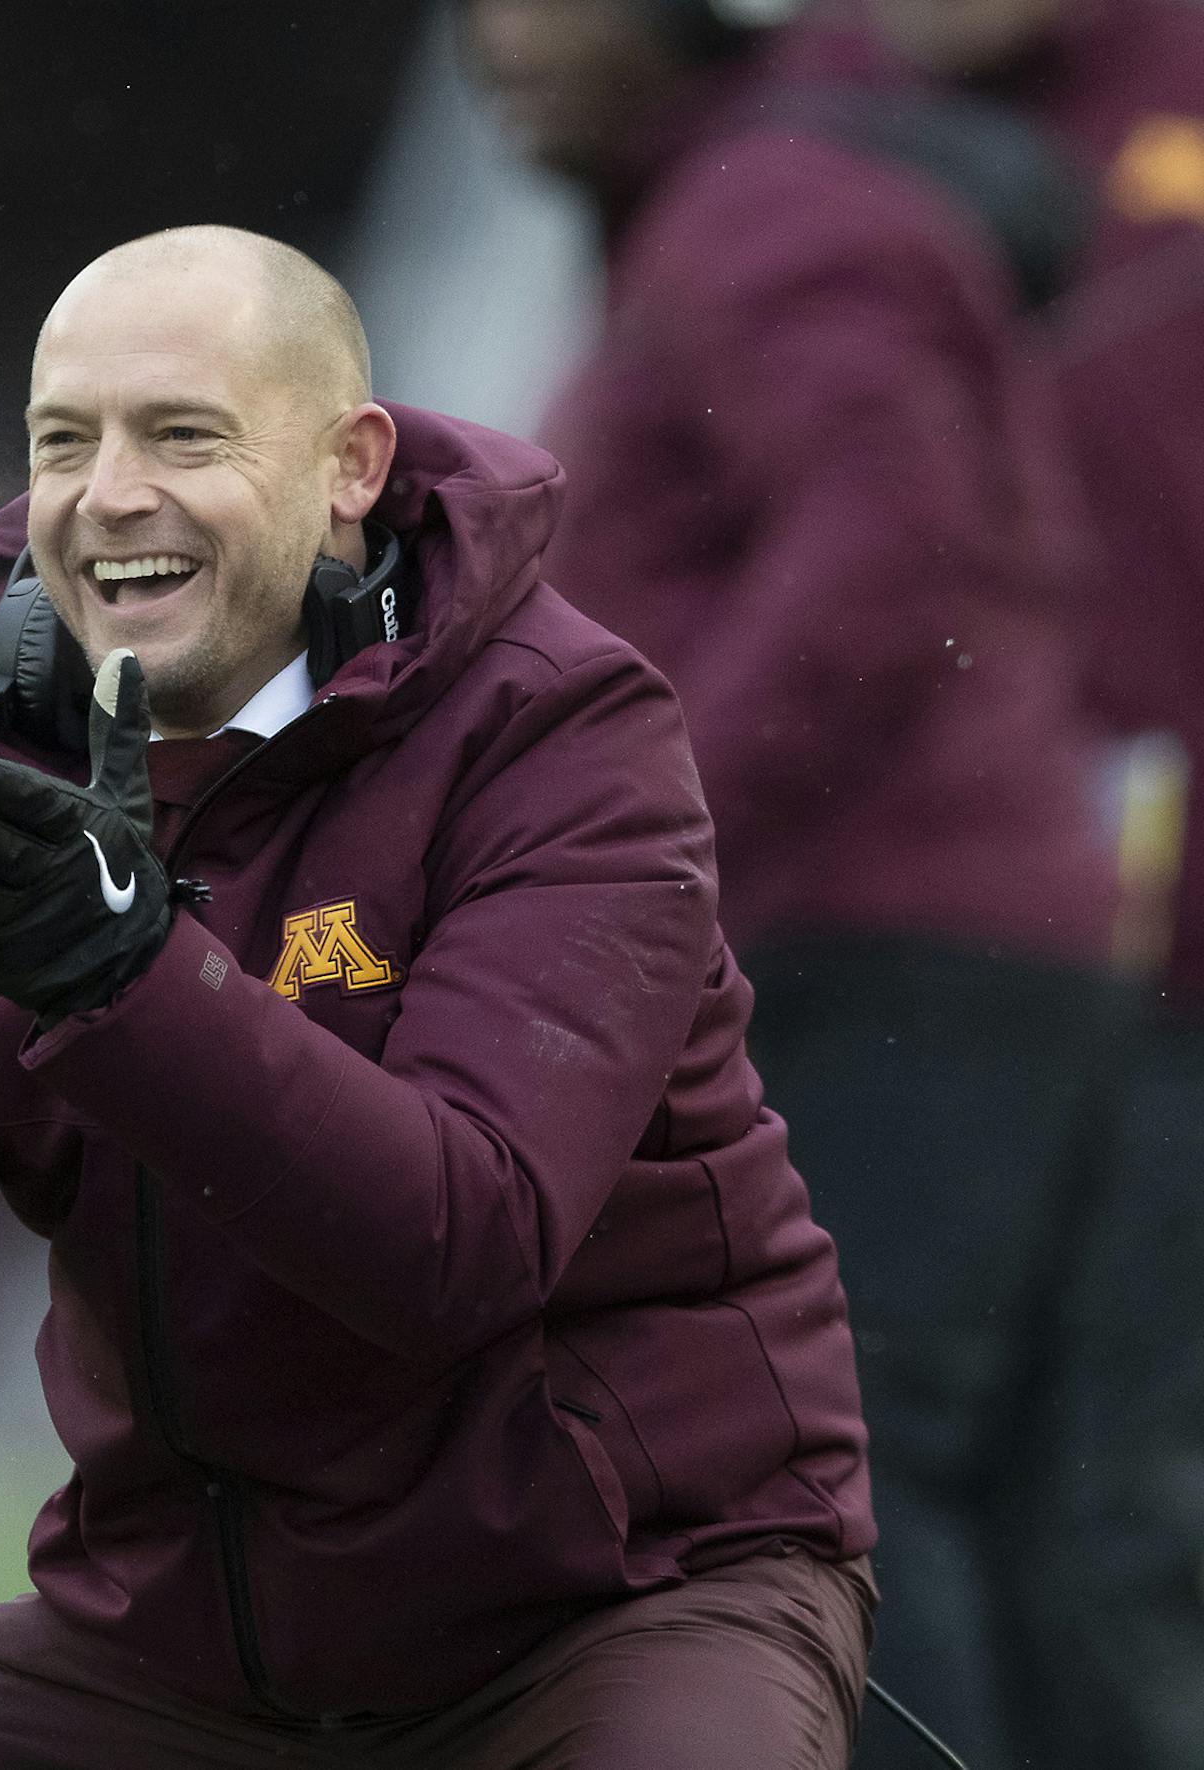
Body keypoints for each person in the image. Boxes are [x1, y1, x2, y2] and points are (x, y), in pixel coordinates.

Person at [0, 225, 876, 1768]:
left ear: (350, 468)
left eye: (183, 435)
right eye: (63, 441)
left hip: (620, 1602)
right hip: (188, 1647)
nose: (108, 492)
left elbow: (461, 1245)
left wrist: (131, 975)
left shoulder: (560, 727)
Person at [455, 4, 1142, 1766]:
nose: (495, 43)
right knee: (932, 1492)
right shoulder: (760, 196)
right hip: (926, 934)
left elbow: (889, 535)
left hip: (884, 944)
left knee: (839, 1482)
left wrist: (638, 821)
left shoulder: (767, 203)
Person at [792, 3, 1204, 1760]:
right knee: (856, 1482)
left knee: (1107, 1521)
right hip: (897, 951)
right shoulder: (802, 91)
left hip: (1180, 985)